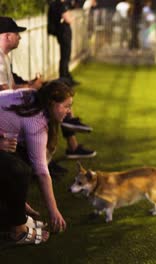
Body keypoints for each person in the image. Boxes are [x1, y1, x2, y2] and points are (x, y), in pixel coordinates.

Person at [0, 16, 96, 175]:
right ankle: (58, 147)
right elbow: (4, 94)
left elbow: (11, 87)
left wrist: (31, 84)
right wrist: (31, 87)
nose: (20, 37)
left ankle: (66, 133)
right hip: (9, 112)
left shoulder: (4, 57)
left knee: (56, 93)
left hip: (14, 106)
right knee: (51, 103)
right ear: (7, 36)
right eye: (17, 33)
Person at [0, 80, 74, 245]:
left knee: (17, 158)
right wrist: (53, 211)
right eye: (66, 106)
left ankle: (13, 216)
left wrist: (18, 203)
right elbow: (41, 171)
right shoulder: (35, 120)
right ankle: (17, 231)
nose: (69, 112)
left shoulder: (33, 96)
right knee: (19, 170)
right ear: (52, 103)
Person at [48, 0, 79, 86]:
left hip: (61, 33)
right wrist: (71, 17)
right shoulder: (60, 5)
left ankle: (66, 77)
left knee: (65, 56)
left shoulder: (55, 4)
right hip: (64, 33)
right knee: (65, 56)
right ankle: (64, 78)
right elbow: (68, 19)